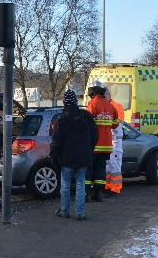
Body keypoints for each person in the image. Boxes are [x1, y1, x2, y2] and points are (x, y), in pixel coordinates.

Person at [50, 89, 98, 221]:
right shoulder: (86, 116)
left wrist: (54, 156)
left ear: (65, 102)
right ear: (76, 102)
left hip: (66, 157)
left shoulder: (62, 119)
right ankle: (80, 213)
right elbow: (95, 136)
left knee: (65, 184)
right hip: (83, 156)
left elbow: (56, 141)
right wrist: (89, 149)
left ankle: (65, 210)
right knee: (81, 183)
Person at [85, 82, 119, 202]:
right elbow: (115, 125)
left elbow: (87, 124)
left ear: (93, 91)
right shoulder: (111, 107)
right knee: (100, 169)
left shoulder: (92, 105)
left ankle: (86, 194)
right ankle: (97, 194)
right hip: (106, 145)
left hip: (94, 145)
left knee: (89, 169)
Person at [104, 89, 125, 196]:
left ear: (108, 95)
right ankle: (108, 186)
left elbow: (118, 124)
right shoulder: (106, 106)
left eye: (104, 96)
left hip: (115, 140)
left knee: (115, 165)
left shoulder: (117, 106)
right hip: (109, 140)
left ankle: (116, 188)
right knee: (108, 165)